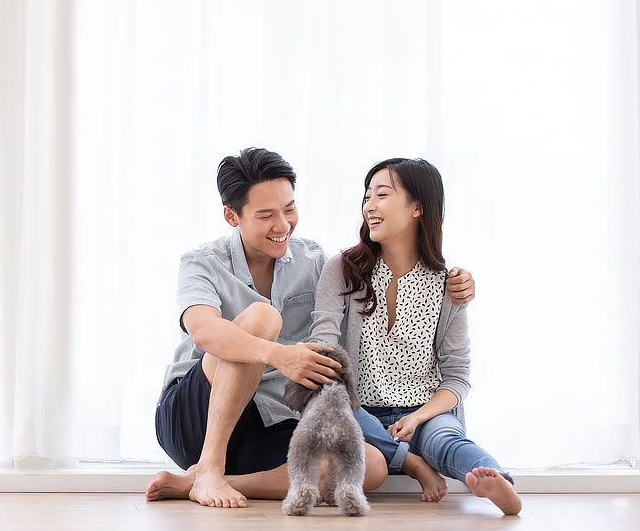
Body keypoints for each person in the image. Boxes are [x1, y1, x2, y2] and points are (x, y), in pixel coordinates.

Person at [146, 148, 476, 508]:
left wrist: (453, 282)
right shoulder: (202, 262)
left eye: (289, 209)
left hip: (270, 420)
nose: (283, 225)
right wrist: (281, 356)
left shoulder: (315, 261)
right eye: (266, 215)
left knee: (369, 466)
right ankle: (208, 466)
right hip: (195, 416)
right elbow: (204, 331)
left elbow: (372, 289)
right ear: (231, 216)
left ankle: (201, 482)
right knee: (262, 318)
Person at [309, 157, 521, 515]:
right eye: (366, 196)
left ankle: (497, 480)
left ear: (418, 207)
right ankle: (413, 463)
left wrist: (420, 416)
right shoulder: (342, 269)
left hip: (423, 410)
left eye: (382, 195)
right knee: (337, 410)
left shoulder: (448, 284)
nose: (369, 206)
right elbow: (323, 349)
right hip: (357, 410)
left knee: (446, 439)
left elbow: (456, 376)